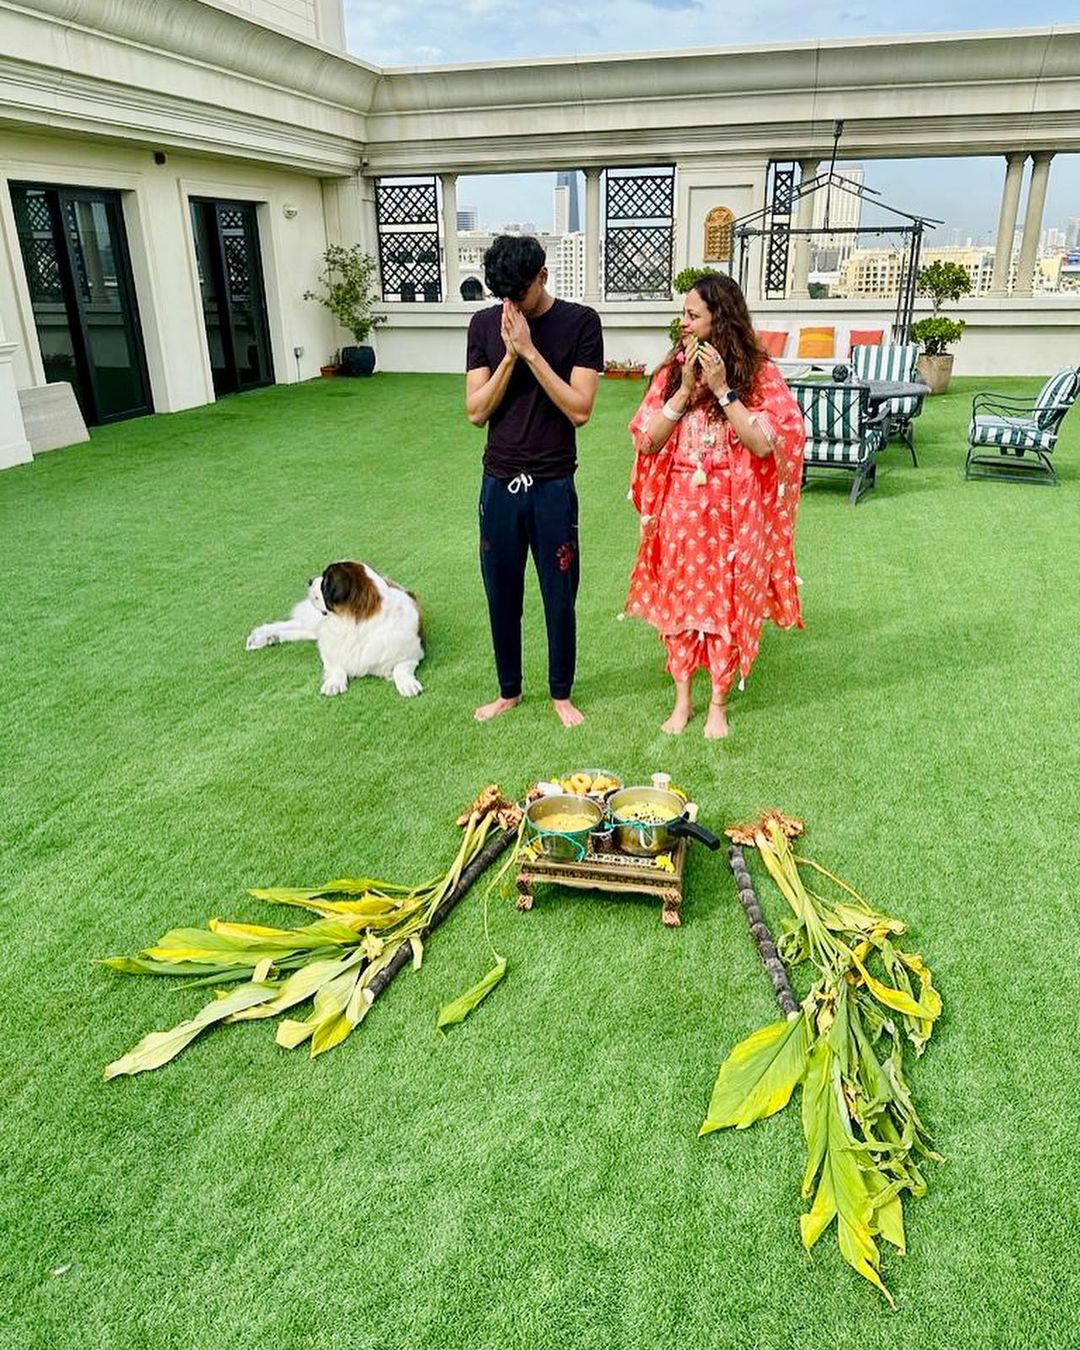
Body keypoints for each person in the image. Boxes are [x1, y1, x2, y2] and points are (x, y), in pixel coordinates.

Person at [625, 273, 805, 739]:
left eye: (692, 316)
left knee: (725, 604)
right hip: (681, 512)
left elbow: (766, 445)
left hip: (732, 514)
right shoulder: (672, 373)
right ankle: (683, 699)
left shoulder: (758, 375)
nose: (683, 324)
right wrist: (684, 391)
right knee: (681, 605)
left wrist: (724, 390)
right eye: (683, 314)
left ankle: (719, 704)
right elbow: (647, 442)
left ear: (718, 320)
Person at [466, 235, 603, 727]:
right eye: (501, 296)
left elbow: (579, 409)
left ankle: (561, 693)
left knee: (559, 592)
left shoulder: (581, 323)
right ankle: (509, 691)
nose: (509, 306)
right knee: (500, 590)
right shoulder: (484, 325)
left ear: (543, 276)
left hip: (552, 483)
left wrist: (530, 351)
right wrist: (507, 356)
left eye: (517, 295)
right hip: (498, 482)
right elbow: (476, 412)